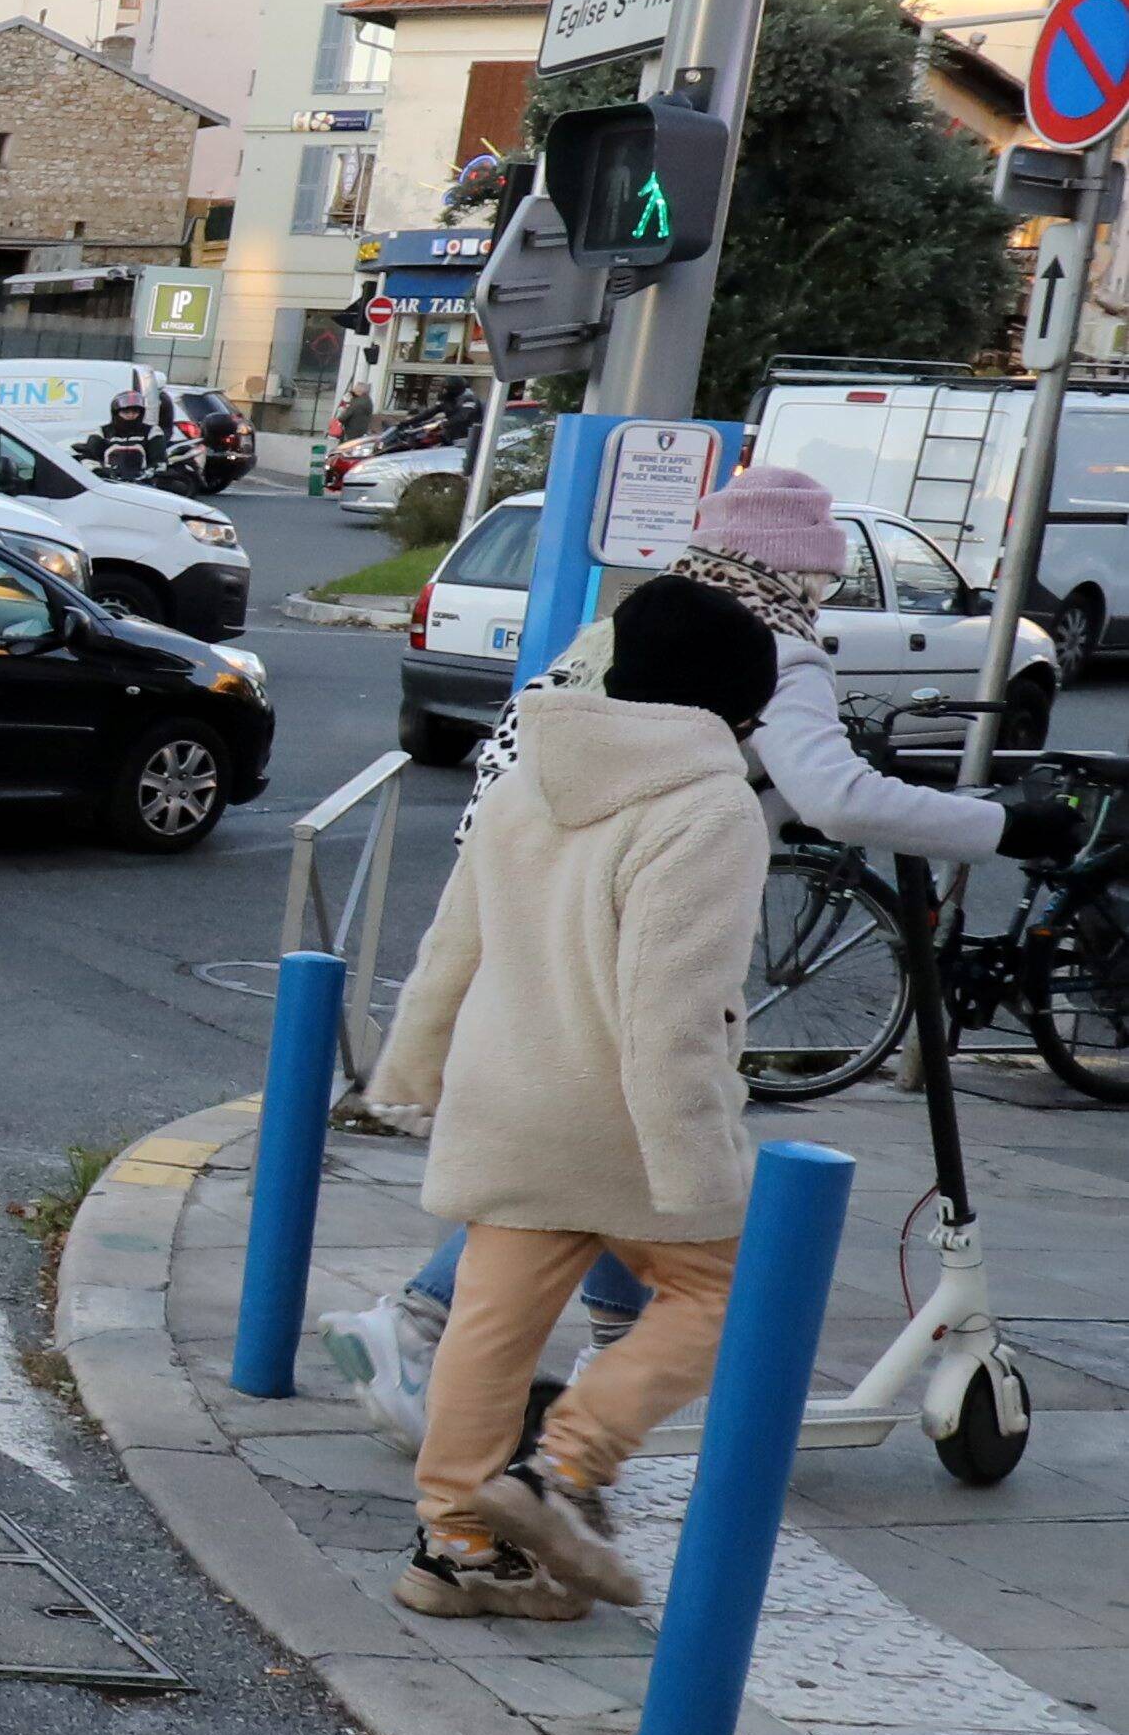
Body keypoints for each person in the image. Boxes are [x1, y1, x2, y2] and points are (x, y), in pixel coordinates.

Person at [335, 470, 1040, 1430]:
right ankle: (438, 1329)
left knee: (571, 1117)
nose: (822, 596)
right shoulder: (770, 647)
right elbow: (831, 794)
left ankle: (531, 1354)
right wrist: (998, 825)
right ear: (787, 569)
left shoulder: (644, 617)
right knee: (615, 1129)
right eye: (821, 577)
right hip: (636, 876)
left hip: (523, 847)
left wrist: (409, 1072)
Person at [363, 577, 791, 1622]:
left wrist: (407, 1073)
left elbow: (450, 951)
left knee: (487, 1326)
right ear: (727, 707)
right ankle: (566, 1467)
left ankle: (455, 1545)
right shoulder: (707, 807)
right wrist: (699, 1176)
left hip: (504, 1102)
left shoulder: (524, 783)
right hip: (622, 1124)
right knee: (726, 1297)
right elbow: (671, 1015)